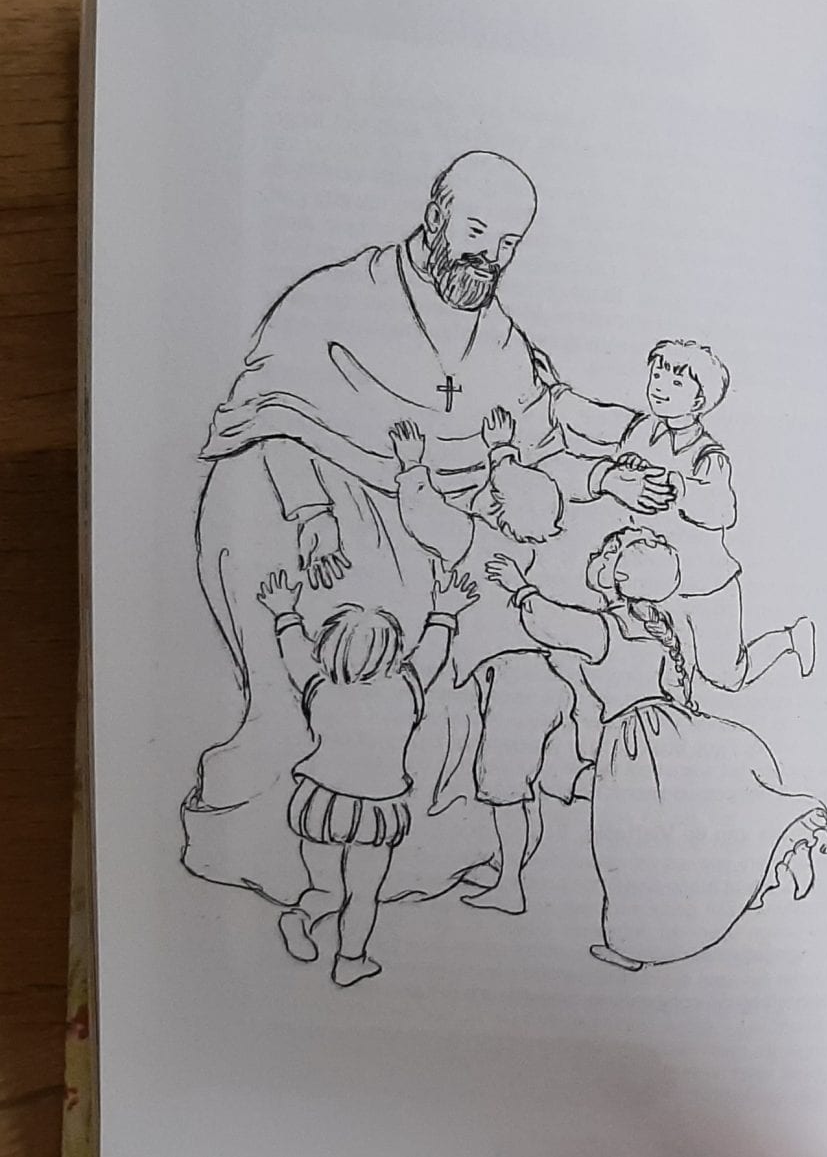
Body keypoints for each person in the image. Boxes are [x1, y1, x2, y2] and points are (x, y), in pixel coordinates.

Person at [185, 150, 645, 908]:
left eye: (507, 244)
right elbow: (268, 418)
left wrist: (606, 476)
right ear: (436, 216)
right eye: (477, 232)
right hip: (320, 515)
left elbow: (537, 439)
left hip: (428, 536)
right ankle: (279, 756)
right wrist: (311, 514)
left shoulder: (501, 339)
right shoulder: (334, 297)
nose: (489, 257)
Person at [485, 526, 827, 969]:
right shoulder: (659, 629)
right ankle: (767, 859)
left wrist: (519, 587)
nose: (595, 554)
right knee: (670, 833)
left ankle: (634, 943)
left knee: (624, 844)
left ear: (619, 577)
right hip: (671, 729)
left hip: (631, 746)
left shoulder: (606, 629)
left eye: (608, 551)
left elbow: (548, 623)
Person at [255, 567, 479, 986]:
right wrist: (445, 610)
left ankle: (300, 916)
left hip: (319, 801)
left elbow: (294, 654)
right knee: (362, 892)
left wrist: (285, 612)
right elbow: (433, 652)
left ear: (328, 649)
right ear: (393, 653)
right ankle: (350, 961)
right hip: (376, 807)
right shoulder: (406, 689)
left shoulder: (318, 687)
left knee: (326, 888)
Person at [390, 411, 576, 915]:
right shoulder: (532, 552)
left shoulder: (476, 538)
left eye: (492, 492)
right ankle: (507, 865)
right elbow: (518, 489)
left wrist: (412, 465)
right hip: (540, 680)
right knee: (518, 789)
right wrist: (501, 450)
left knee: (504, 790)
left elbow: (425, 517)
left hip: (515, 687)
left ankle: (510, 886)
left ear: (495, 507)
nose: (484, 493)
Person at [550, 339, 815, 692]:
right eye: (657, 376)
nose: (660, 387)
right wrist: (554, 396)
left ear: (699, 401)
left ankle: (791, 639)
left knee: (725, 675)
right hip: (653, 581)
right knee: (662, 660)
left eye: (676, 383)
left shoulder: (708, 456)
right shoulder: (638, 429)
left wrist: (680, 486)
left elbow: (723, 509)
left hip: (706, 585)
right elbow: (592, 418)